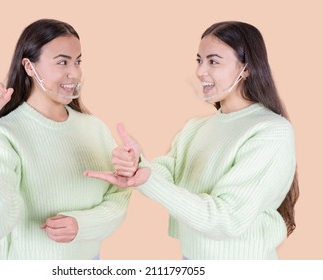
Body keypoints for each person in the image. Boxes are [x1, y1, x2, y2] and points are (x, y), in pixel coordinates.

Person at [85, 21, 299, 259]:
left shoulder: (271, 131)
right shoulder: (196, 128)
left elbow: (227, 219)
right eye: (199, 60)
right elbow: (168, 174)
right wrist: (136, 165)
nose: (200, 71)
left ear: (246, 68)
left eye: (213, 61)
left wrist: (148, 178)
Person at [0, 19, 131, 260]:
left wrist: (84, 224)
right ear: (28, 66)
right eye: (62, 62)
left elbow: (120, 194)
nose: (75, 73)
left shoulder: (94, 128)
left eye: (78, 61)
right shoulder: (4, 134)